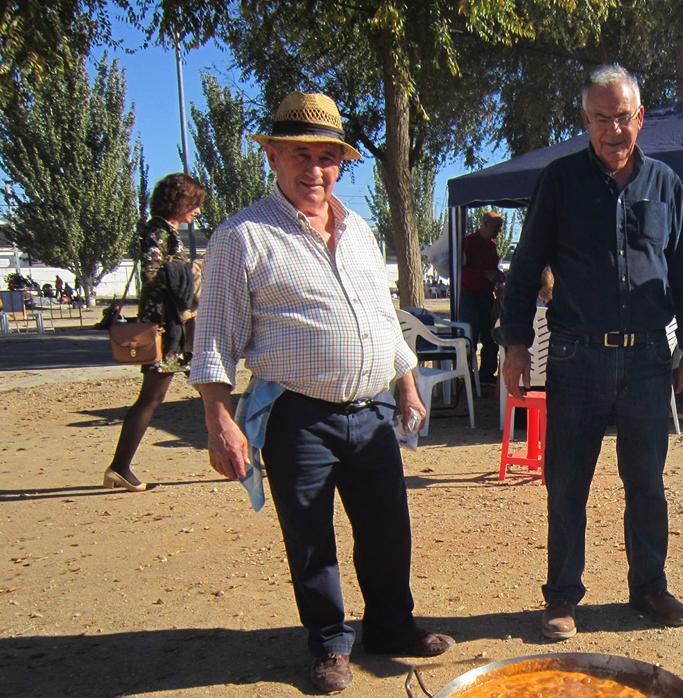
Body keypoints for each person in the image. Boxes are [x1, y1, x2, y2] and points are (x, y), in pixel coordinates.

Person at [188, 92, 454, 694]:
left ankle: (390, 626)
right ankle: (331, 645)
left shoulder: (358, 229)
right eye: (300, 155)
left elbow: (382, 317)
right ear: (275, 158)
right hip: (297, 416)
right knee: (311, 538)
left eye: (327, 158)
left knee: (388, 529)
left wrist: (406, 385)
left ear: (340, 164)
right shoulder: (242, 237)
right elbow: (215, 337)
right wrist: (219, 421)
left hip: (372, 412)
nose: (315, 170)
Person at [496, 64, 683, 640]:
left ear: (639, 118)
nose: (614, 130)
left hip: (647, 360)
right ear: (585, 121)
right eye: (601, 119)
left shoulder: (666, 184)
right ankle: (563, 598)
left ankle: (650, 588)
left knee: (647, 482)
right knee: (567, 484)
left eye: (623, 117)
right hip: (576, 358)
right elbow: (525, 269)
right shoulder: (560, 180)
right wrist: (515, 343)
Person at [103, 173, 205, 492]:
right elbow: (151, 274)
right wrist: (187, 273)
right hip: (165, 331)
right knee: (156, 397)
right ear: (180, 201)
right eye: (195, 204)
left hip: (171, 329)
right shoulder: (159, 230)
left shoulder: (163, 229)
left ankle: (248, 454)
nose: (198, 211)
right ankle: (119, 466)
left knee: (207, 384)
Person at [462, 211, 504, 384]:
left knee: (490, 335)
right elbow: (461, 271)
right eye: (497, 226)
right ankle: (466, 374)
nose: (499, 231)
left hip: (487, 296)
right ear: (485, 223)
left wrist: (499, 276)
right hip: (470, 295)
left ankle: (486, 374)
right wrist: (484, 274)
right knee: (469, 335)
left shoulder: (492, 245)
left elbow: (493, 269)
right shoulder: (468, 243)